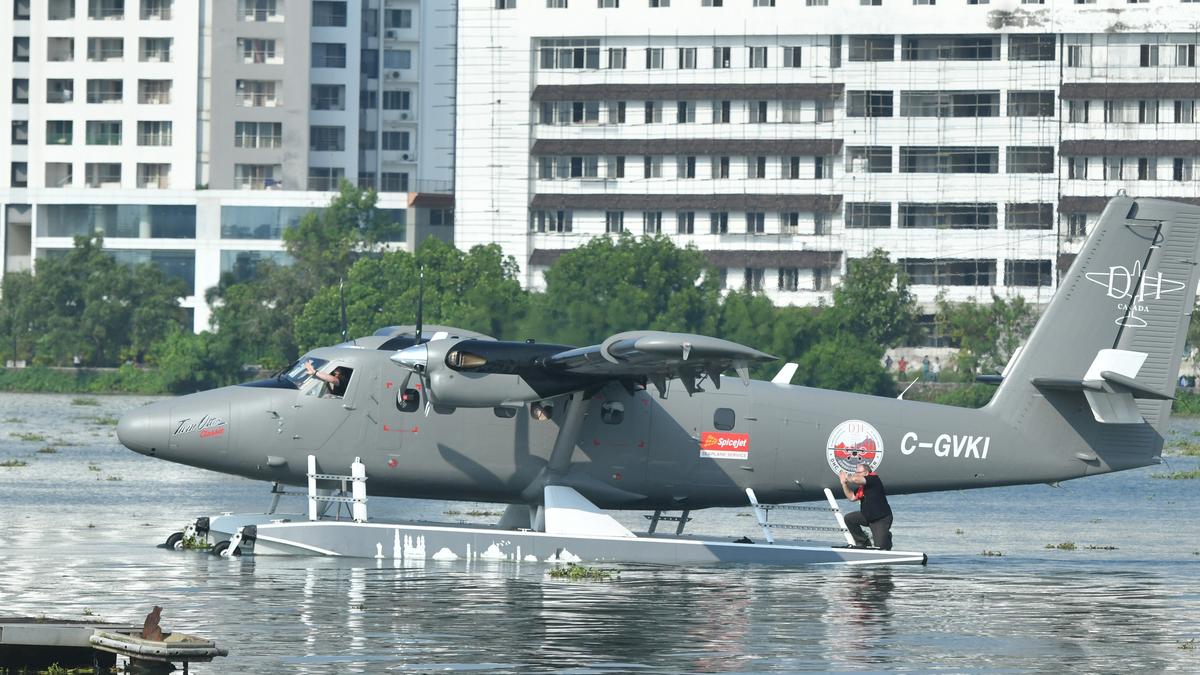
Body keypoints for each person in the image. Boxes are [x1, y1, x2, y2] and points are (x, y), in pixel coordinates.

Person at [839, 462, 893, 550]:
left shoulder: (873, 479)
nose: (856, 474)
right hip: (867, 516)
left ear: (866, 473)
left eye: (859, 472)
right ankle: (862, 542)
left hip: (880, 519)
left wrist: (847, 478)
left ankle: (887, 537)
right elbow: (852, 497)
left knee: (881, 548)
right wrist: (844, 484)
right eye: (855, 472)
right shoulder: (862, 488)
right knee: (849, 518)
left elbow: (856, 479)